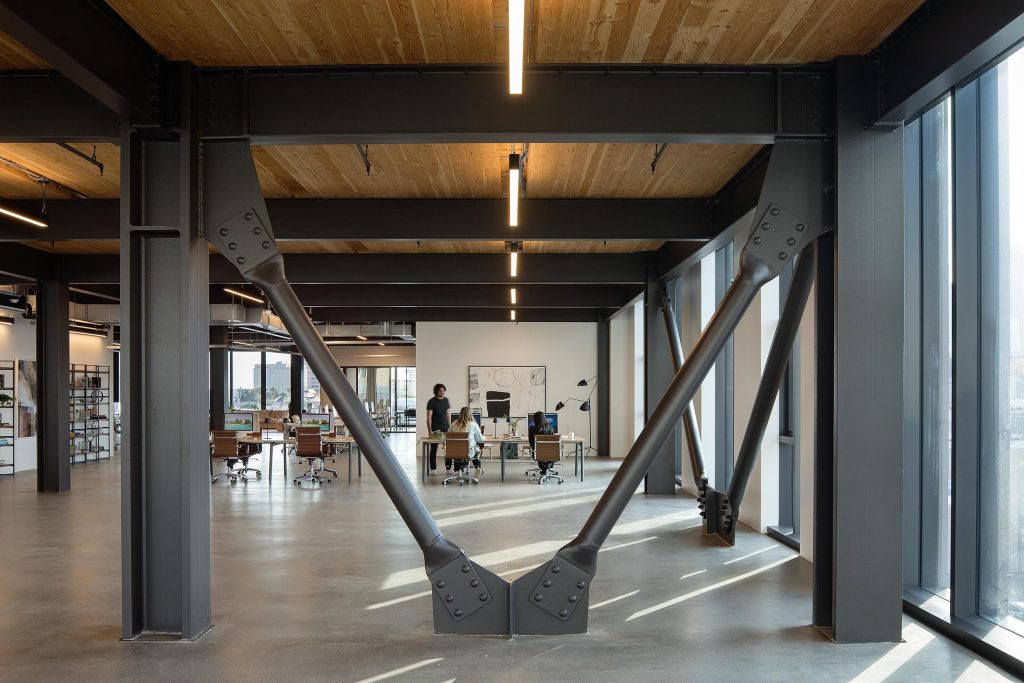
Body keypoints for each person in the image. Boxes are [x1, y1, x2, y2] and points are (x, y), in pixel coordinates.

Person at [451, 407, 486, 478]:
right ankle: (478, 468)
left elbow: (448, 437)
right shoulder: (473, 425)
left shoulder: (453, 424)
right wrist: (484, 437)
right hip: (469, 452)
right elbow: (480, 439)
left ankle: (458, 470)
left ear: (460, 414)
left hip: (455, 452)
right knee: (476, 448)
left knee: (463, 451)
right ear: (470, 415)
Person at [425, 383, 450, 472]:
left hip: (445, 428)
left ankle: (448, 467)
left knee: (448, 448)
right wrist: (430, 431)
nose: (442, 392)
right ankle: (433, 468)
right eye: (440, 390)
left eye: (443, 390)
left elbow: (447, 414)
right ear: (436, 391)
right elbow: (428, 417)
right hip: (435, 428)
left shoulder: (446, 400)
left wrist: (449, 426)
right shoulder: (431, 402)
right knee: (434, 448)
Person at [528, 410, 555, 475]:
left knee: (540, 453)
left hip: (537, 453)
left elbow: (531, 443)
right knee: (549, 453)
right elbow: (553, 444)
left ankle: (544, 468)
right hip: (551, 454)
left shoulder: (532, 429)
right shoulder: (551, 428)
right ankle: (547, 467)